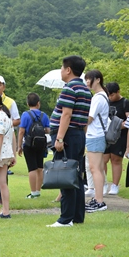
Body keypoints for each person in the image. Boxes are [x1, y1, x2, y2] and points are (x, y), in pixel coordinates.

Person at [47, 55, 91, 227]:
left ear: (68, 70)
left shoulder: (69, 88)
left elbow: (66, 114)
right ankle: (77, 216)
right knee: (76, 176)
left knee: (65, 175)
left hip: (68, 135)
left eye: (61, 67)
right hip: (79, 134)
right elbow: (85, 117)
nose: (61, 70)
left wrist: (59, 138)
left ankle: (65, 219)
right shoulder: (86, 89)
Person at [84, 70, 109, 213]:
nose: (87, 82)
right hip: (98, 136)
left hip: (95, 136)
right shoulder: (102, 96)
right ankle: (98, 199)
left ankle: (99, 201)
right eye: (86, 80)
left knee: (95, 169)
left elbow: (90, 118)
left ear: (98, 80)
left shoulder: (98, 97)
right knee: (97, 169)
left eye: (89, 79)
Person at [103, 82, 129, 195]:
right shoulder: (105, 101)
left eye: (112, 95)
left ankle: (115, 185)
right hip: (106, 135)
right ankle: (103, 184)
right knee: (103, 160)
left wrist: (118, 126)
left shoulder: (125, 103)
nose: (110, 97)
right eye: (108, 95)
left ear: (118, 92)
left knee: (116, 159)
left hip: (119, 136)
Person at [17, 93, 50, 199]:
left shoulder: (25, 115)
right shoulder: (43, 115)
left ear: (27, 103)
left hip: (29, 144)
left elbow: (21, 131)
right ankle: (38, 191)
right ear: (38, 103)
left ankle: (33, 192)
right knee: (40, 168)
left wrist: (19, 146)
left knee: (32, 169)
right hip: (41, 144)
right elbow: (48, 130)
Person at [0, 74, 20, 176]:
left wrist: (4, 125)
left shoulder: (10, 102)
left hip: (2, 142)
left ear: (4, 87)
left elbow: (17, 120)